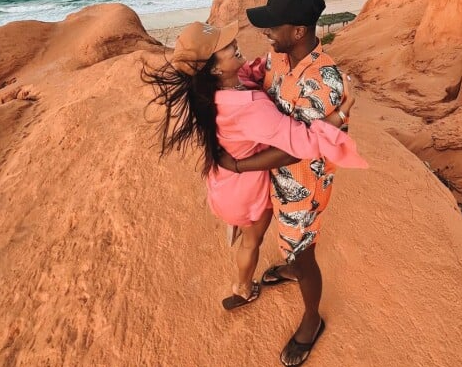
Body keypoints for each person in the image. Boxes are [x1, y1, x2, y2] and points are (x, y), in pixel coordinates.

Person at [143, 20, 365, 317]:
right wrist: (341, 113)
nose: (235, 45)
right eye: (226, 47)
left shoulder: (218, 90)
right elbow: (301, 143)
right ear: (214, 69)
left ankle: (246, 284)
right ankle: (242, 289)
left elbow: (252, 72)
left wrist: (272, 66)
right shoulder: (248, 108)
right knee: (251, 240)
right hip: (245, 188)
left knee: (249, 237)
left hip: (228, 184)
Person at [221, 0, 352, 367]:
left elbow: (301, 144)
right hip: (271, 175)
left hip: (303, 184)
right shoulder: (278, 56)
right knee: (280, 237)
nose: (266, 32)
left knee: (304, 250)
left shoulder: (323, 80)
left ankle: (312, 319)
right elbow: (259, 91)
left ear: (298, 31)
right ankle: (291, 264)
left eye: (274, 26)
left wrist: (240, 165)